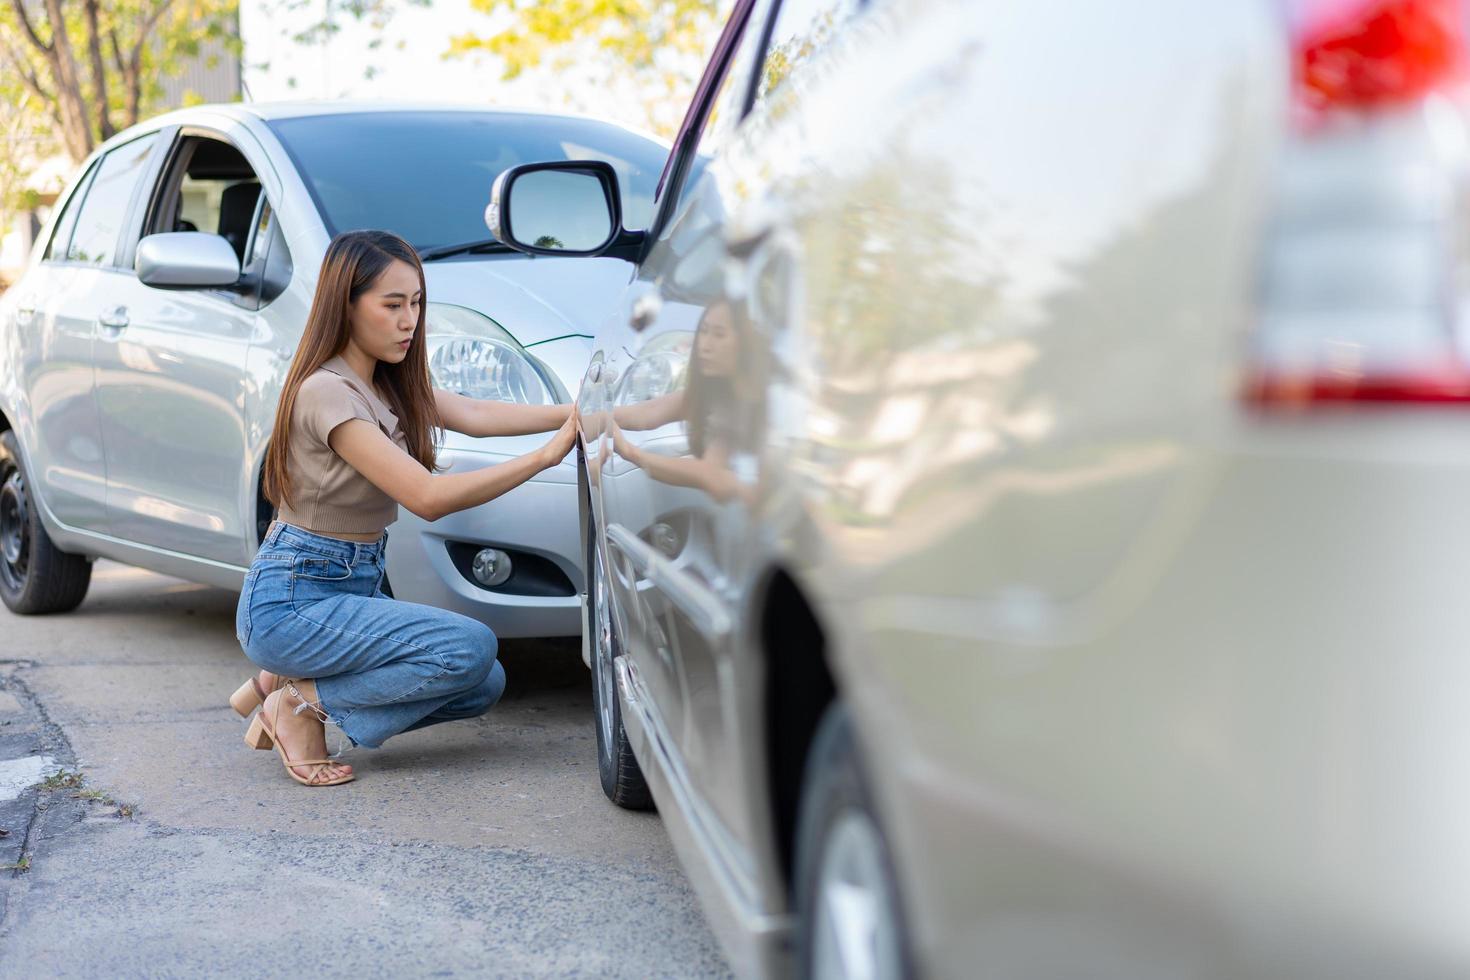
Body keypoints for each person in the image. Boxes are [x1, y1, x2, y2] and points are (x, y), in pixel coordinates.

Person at [230, 229, 578, 787]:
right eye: (391, 305)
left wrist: (583, 414)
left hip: (349, 587)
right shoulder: (327, 392)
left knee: (482, 682)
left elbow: (478, 414)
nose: (408, 320)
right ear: (346, 304)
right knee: (470, 647)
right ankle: (296, 705)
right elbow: (427, 498)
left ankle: (285, 687)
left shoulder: (387, 383)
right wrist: (545, 457)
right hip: (294, 596)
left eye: (416, 303)